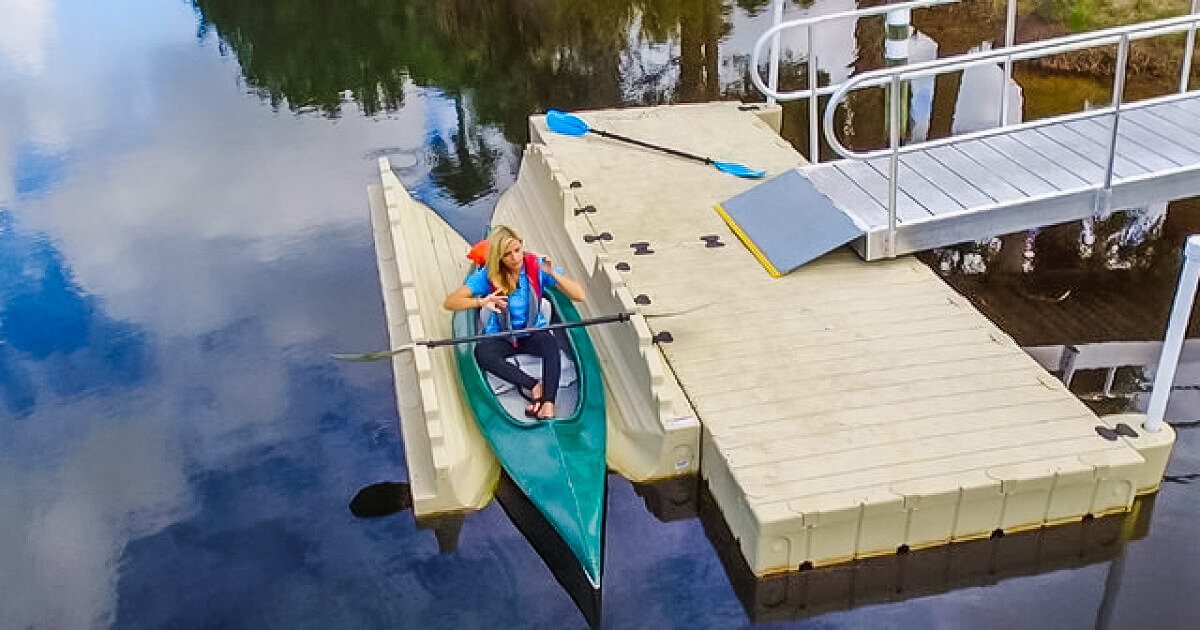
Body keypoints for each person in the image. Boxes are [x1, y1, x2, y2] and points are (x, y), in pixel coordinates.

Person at [444, 225, 585, 420]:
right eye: (507, 254)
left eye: (517, 251)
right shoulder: (487, 275)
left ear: (522, 246)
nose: (515, 258)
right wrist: (481, 301)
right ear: (498, 257)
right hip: (503, 336)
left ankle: (548, 402)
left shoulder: (537, 267)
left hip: (532, 332)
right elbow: (450, 302)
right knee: (482, 353)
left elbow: (579, 295)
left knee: (551, 345)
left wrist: (553, 274)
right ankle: (533, 386)